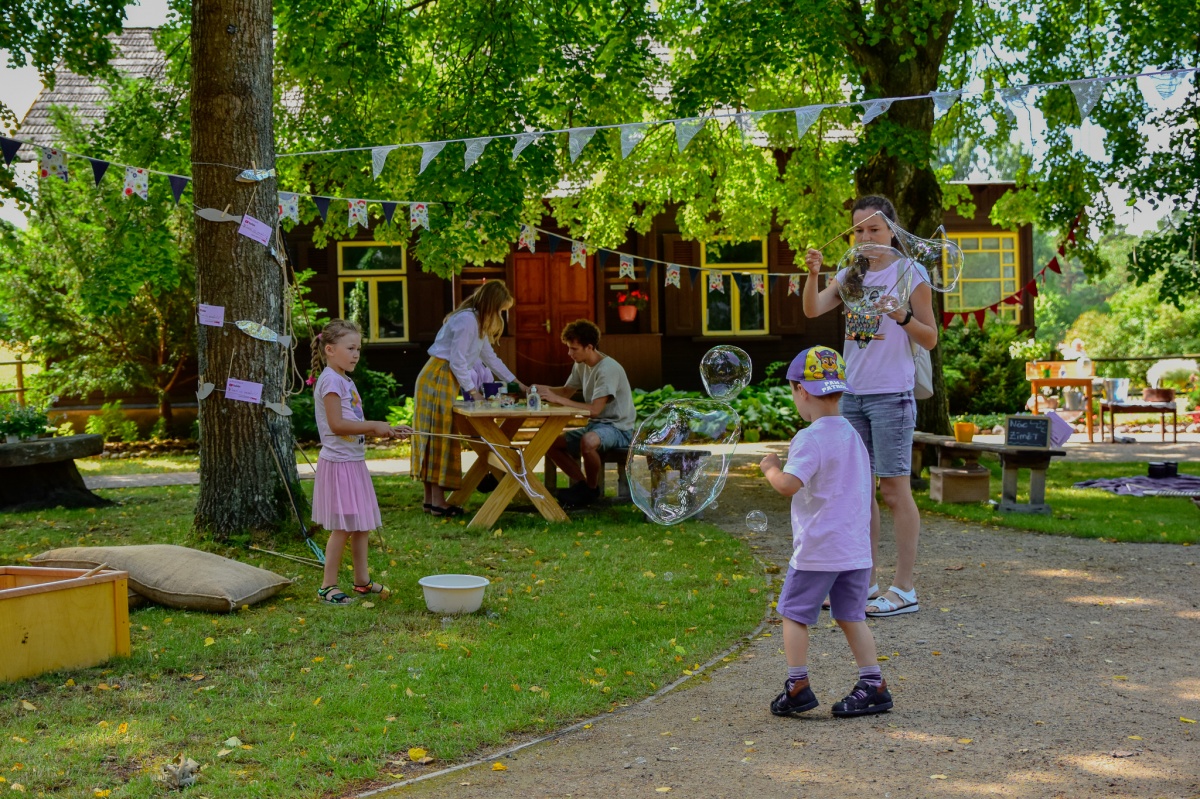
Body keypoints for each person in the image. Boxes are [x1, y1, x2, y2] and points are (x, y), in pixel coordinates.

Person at [802, 195, 937, 618]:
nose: (865, 237)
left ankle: (904, 589)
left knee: (894, 491)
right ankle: (867, 583)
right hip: (853, 395)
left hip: (892, 394)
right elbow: (812, 309)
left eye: (874, 229)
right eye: (858, 230)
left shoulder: (910, 272)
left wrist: (900, 315)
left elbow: (930, 337)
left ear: (892, 231)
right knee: (862, 493)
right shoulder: (850, 275)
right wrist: (813, 274)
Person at [759, 346, 893, 717]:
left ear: (801, 390)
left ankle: (797, 686)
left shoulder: (810, 437)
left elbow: (788, 485)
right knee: (851, 616)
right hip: (854, 548)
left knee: (793, 614)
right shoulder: (853, 434)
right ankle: (873, 684)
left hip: (818, 549)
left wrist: (770, 468)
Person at [310, 319, 411, 606]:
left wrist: (387, 429)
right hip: (339, 464)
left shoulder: (345, 379)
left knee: (360, 525)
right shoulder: (330, 380)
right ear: (330, 350)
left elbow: (353, 421)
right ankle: (327, 586)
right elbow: (337, 425)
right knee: (343, 527)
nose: (356, 355)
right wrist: (374, 426)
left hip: (353, 462)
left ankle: (362, 581)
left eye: (358, 349)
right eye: (350, 348)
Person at [411, 281, 525, 517]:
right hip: (438, 376)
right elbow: (457, 361)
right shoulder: (467, 321)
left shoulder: (478, 323)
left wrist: (517, 383)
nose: (500, 315)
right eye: (500, 309)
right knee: (439, 436)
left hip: (441, 377)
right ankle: (438, 503)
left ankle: (431, 501)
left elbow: (491, 358)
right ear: (492, 305)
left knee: (435, 435)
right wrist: (473, 391)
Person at [538, 320, 636, 509]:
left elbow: (594, 410)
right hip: (596, 427)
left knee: (588, 441)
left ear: (589, 347)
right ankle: (584, 486)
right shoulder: (581, 364)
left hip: (618, 428)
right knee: (550, 443)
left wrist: (557, 399)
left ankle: (591, 488)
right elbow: (566, 392)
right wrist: (538, 390)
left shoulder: (607, 370)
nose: (569, 353)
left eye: (574, 348)